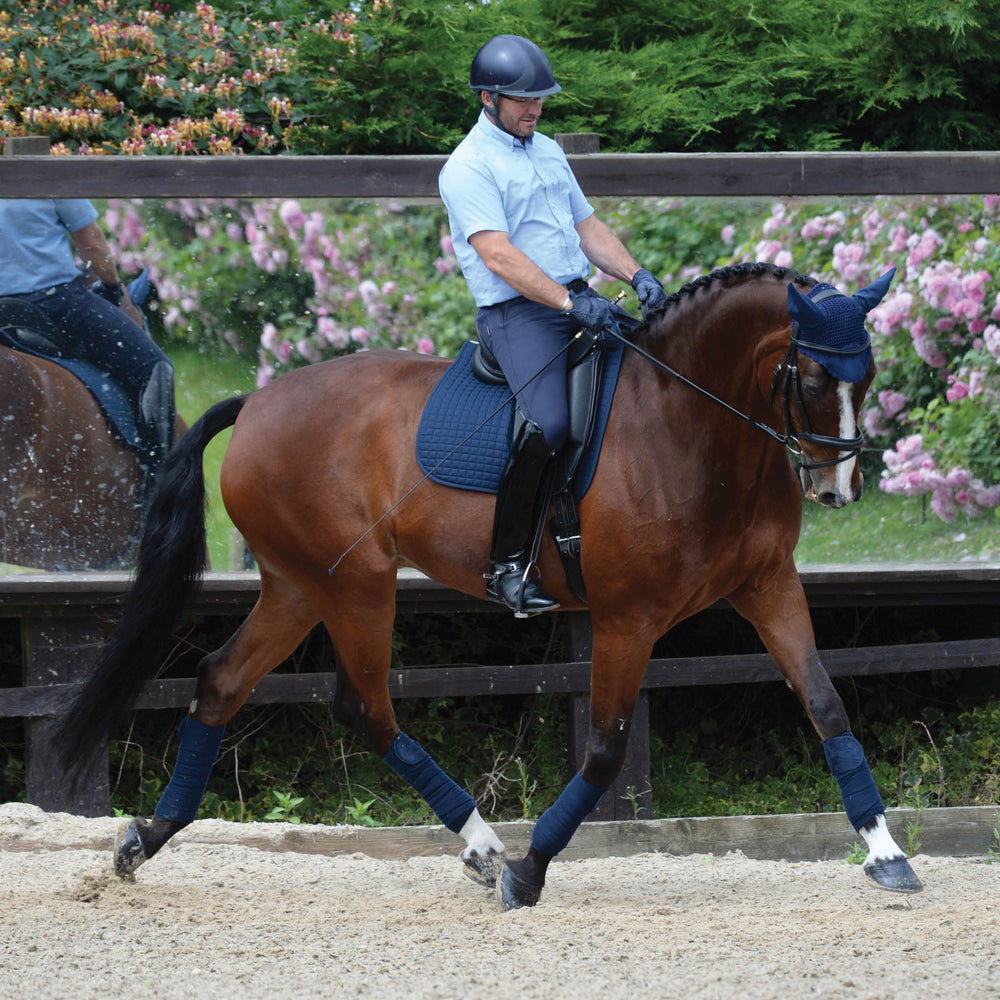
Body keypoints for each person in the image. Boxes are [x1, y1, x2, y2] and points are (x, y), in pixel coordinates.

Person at [438, 34, 668, 617]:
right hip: (518, 314)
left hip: (576, 298)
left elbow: (586, 227)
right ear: (487, 98)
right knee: (547, 423)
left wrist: (636, 273)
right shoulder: (466, 168)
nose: (534, 108)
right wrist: (569, 306)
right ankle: (508, 566)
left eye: (540, 98)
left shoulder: (547, 151)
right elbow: (499, 256)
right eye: (522, 100)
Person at [0, 198, 175, 487]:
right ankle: (162, 491)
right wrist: (114, 290)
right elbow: (92, 243)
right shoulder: (48, 170)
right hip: (53, 301)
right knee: (155, 368)